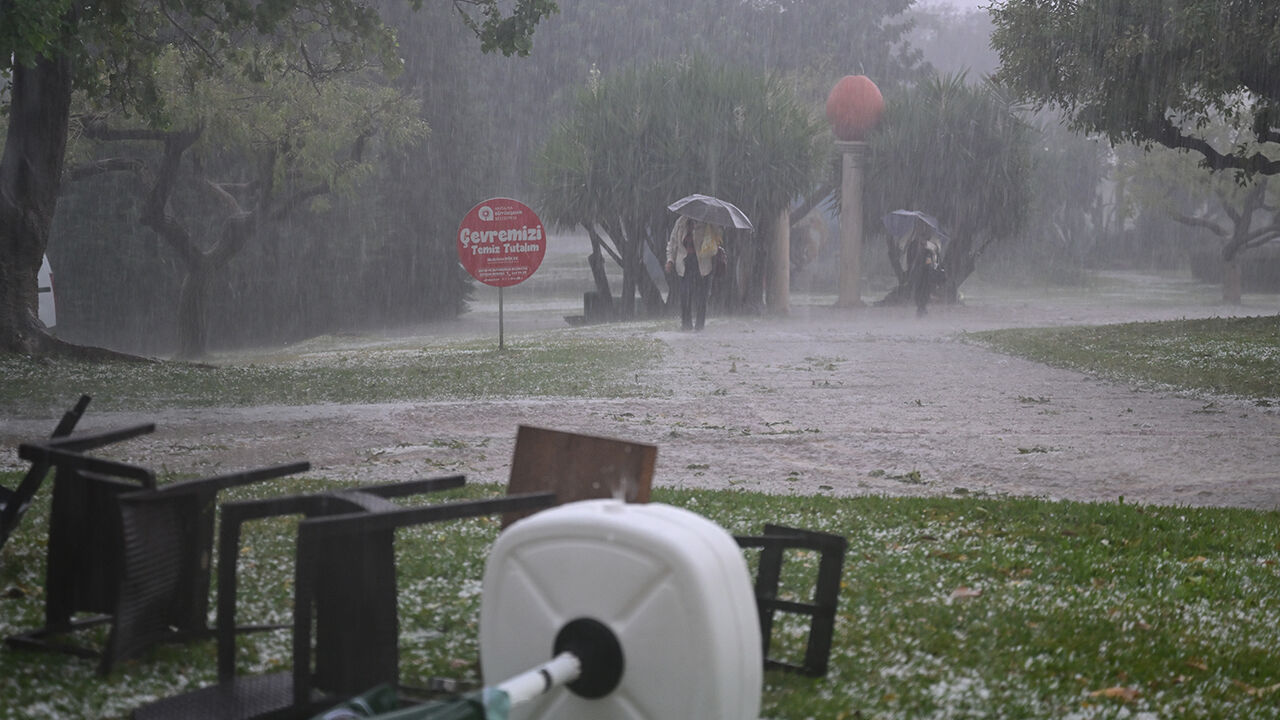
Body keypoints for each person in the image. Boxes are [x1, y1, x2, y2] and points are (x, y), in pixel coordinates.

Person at [665, 216, 724, 331]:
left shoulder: (707, 223)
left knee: (702, 296)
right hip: (684, 263)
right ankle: (686, 324)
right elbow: (672, 243)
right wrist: (670, 260)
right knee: (684, 294)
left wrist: (714, 225)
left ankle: (699, 326)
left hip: (703, 264)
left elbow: (718, 237)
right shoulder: (680, 222)